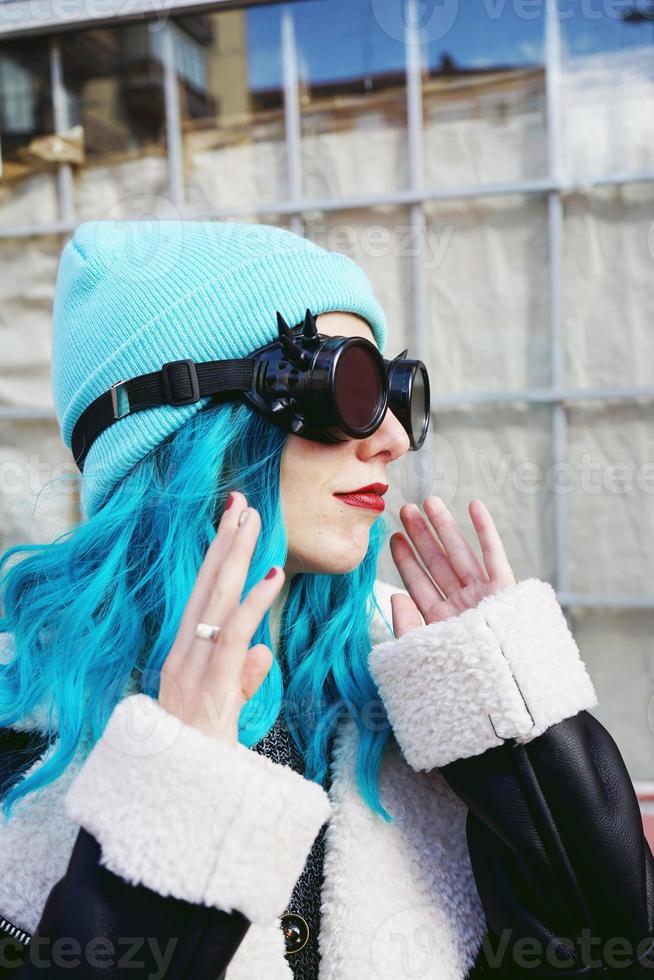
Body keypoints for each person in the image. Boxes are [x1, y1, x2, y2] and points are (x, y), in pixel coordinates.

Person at [0, 219, 651, 979]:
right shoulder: (23, 737)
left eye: (396, 393)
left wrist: (533, 758)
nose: (394, 442)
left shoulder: (416, 701)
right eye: (350, 388)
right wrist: (166, 812)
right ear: (186, 430)